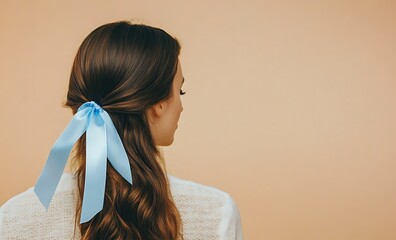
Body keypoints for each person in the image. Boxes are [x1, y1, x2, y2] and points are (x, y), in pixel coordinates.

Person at [0, 21, 243, 240]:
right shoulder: (215, 214)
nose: (181, 106)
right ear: (157, 104)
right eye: (180, 91)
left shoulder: (14, 217)